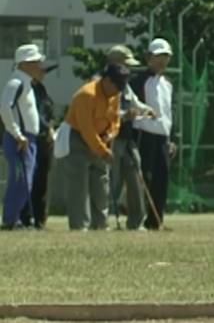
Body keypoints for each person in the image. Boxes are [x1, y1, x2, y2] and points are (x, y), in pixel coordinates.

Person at [62, 63, 128, 230]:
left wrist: (109, 135)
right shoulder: (86, 95)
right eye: (117, 86)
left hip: (101, 140)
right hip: (78, 140)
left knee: (101, 183)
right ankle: (79, 226)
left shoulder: (116, 95)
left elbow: (115, 121)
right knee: (79, 186)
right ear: (106, 80)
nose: (118, 91)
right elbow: (86, 130)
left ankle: (100, 224)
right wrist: (104, 152)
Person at [131, 38, 176, 231]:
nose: (162, 61)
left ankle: (156, 221)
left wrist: (172, 138)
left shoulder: (167, 84)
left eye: (166, 57)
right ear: (149, 58)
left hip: (162, 137)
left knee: (162, 180)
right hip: (144, 134)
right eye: (158, 57)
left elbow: (168, 112)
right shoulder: (138, 81)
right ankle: (140, 218)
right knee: (145, 178)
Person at [107, 45, 152, 230]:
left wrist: (146, 109)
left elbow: (135, 102)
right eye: (125, 64)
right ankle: (105, 219)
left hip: (127, 137)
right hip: (112, 138)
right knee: (113, 179)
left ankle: (136, 221)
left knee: (135, 175)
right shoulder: (103, 82)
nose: (129, 68)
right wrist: (125, 114)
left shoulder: (125, 84)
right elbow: (104, 111)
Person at [1, 44, 45, 230]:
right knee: (19, 179)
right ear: (25, 64)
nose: (40, 66)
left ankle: (15, 218)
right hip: (19, 139)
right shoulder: (16, 83)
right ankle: (10, 220)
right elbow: (5, 107)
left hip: (29, 139)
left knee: (26, 180)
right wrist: (18, 134)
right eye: (36, 62)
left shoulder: (26, 83)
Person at [20, 61, 58, 229]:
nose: (43, 74)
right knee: (28, 180)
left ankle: (40, 219)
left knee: (42, 181)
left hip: (45, 140)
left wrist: (51, 128)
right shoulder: (24, 88)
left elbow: (48, 112)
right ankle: (25, 217)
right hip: (31, 138)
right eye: (41, 71)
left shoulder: (41, 90)